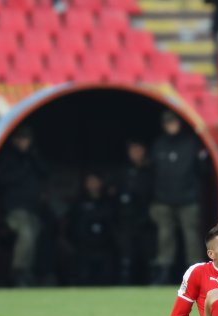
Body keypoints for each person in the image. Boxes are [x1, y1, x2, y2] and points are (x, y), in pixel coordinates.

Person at [149, 110, 207, 285]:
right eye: (168, 123)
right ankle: (164, 272)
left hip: (188, 198)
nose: (171, 126)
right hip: (163, 199)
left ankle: (195, 276)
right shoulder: (158, 145)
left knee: (191, 238)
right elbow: (152, 173)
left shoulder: (191, 144)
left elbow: (203, 170)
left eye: (173, 122)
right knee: (165, 238)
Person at [0, 126, 46, 287]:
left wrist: (31, 158)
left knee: (34, 237)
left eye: (27, 139)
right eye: (21, 139)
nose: (24, 142)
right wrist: (24, 167)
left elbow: (45, 172)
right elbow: (1, 179)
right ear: (14, 140)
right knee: (26, 233)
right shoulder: (8, 157)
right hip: (14, 209)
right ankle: (18, 273)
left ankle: (27, 273)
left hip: (33, 209)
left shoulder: (33, 157)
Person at [115, 140, 155, 284]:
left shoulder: (151, 170)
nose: (135, 153)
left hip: (146, 219)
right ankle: (125, 282)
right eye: (132, 150)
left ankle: (151, 282)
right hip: (126, 218)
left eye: (138, 149)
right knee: (127, 254)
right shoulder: (123, 171)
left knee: (147, 253)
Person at [68, 173, 117, 286]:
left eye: (95, 181)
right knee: (83, 277)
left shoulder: (108, 201)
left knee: (106, 278)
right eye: (89, 182)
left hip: (105, 247)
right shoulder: (79, 202)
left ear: (101, 183)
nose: (92, 184)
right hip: (84, 247)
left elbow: (114, 223)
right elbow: (71, 223)